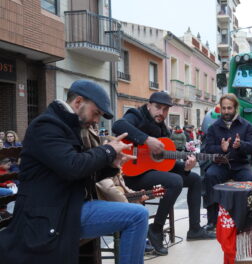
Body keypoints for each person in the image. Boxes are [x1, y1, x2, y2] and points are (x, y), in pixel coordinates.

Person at [0, 80, 149, 264]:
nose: (96, 120)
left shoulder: (68, 126)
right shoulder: (46, 126)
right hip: (50, 215)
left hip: (70, 206)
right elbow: (73, 167)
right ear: (78, 102)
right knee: (137, 216)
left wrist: (111, 164)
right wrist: (108, 150)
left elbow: (82, 173)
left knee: (137, 214)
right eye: (96, 113)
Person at [112, 91, 215, 256]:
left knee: (195, 178)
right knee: (174, 182)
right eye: (158, 107)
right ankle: (156, 229)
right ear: (149, 106)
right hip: (131, 174)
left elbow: (168, 163)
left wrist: (187, 167)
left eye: (165, 109)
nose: (161, 113)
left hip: (151, 172)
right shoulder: (136, 115)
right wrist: (146, 140)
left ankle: (195, 229)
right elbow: (117, 126)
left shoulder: (164, 131)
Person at [203, 93, 252, 231]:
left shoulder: (247, 126)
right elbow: (207, 149)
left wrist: (241, 145)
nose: (226, 111)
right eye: (224, 108)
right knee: (210, 176)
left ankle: (251, 218)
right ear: (220, 109)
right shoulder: (213, 128)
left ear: (235, 108)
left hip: (240, 164)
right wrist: (221, 149)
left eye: (229, 108)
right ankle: (212, 219)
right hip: (220, 165)